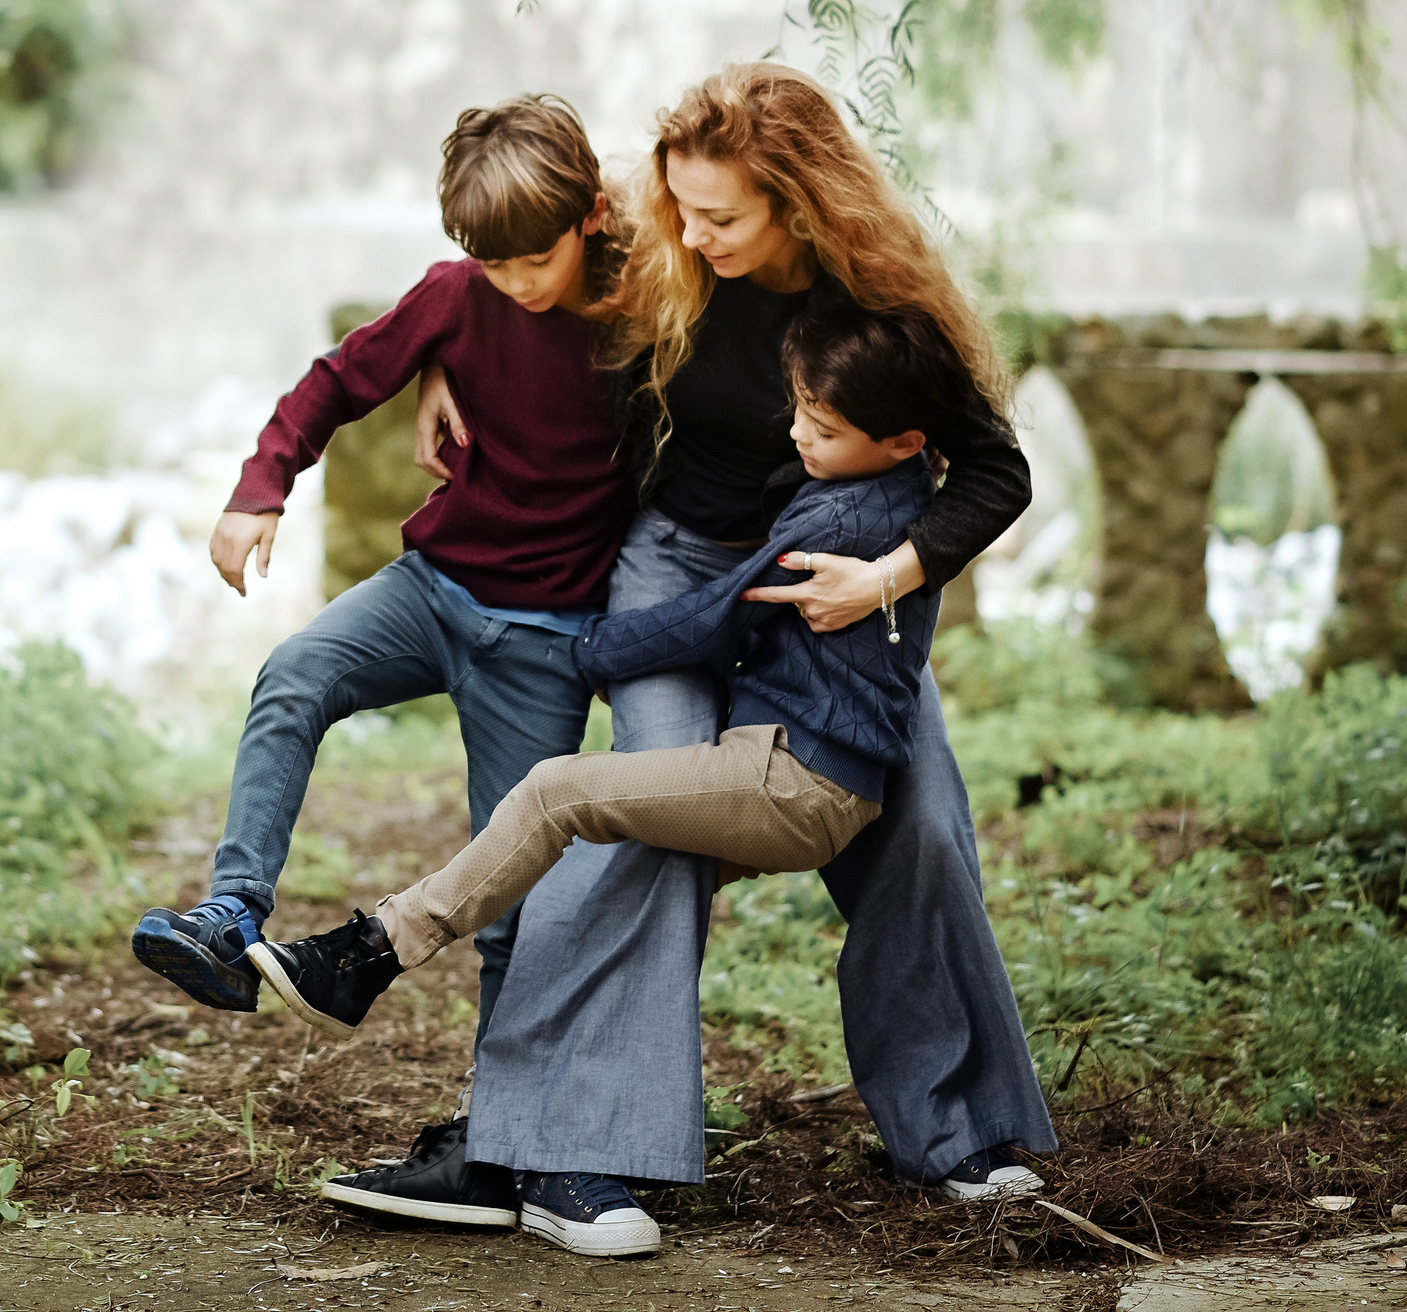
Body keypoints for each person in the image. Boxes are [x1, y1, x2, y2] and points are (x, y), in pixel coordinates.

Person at [320, 62, 1057, 1251]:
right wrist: (446, 366)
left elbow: (991, 468)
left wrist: (884, 576)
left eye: (721, 215)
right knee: (644, 816)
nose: (692, 230)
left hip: (825, 588)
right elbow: (513, 282)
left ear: (797, 203)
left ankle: (954, 1128)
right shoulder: (660, 247)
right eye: (679, 204)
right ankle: (556, 1148)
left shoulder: (878, 304)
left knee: (919, 821)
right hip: (673, 571)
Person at [246, 299, 966, 1257]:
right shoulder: (901, 483)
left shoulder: (840, 517)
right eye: (797, 409)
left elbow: (713, 617)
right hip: (793, 772)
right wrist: (448, 363)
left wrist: (586, 647)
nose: (797, 435)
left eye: (823, 428)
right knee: (597, 870)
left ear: (905, 439)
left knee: (558, 791)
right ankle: (523, 1136)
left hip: (790, 780)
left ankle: (372, 951)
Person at [131, 96, 634, 1031]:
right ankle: (230, 913)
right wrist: (259, 486)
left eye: (537, 259)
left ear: (592, 216)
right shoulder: (458, 294)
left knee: (514, 900)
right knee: (294, 674)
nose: (518, 283)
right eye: (495, 263)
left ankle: (508, 1109)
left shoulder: (642, 315)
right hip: (432, 591)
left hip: (546, 641)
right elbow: (337, 379)